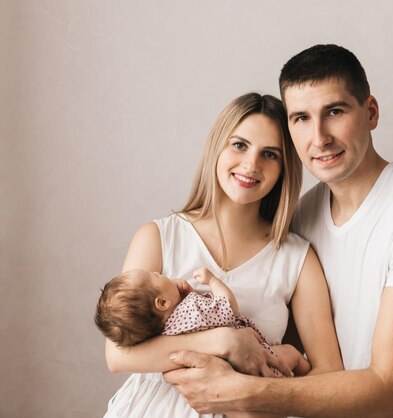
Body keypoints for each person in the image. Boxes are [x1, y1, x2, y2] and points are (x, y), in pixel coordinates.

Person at [164, 44, 393, 417]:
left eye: (334, 112)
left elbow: (386, 393)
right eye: (300, 118)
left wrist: (243, 393)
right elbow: (295, 356)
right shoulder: (303, 217)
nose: (319, 137)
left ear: (371, 112)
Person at [101, 92, 343, 418]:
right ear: (218, 147)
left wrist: (258, 400)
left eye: (269, 154)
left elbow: (329, 377)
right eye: (240, 145)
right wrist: (226, 341)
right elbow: (119, 356)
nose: (251, 164)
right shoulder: (159, 236)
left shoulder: (297, 260)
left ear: (284, 169)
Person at [94, 267, 310, 377]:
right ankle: (306, 373)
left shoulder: (164, 332)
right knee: (291, 354)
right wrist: (212, 282)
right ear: (161, 303)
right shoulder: (192, 309)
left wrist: (188, 295)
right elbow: (227, 308)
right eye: (156, 276)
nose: (162, 274)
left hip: (221, 374)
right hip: (249, 360)